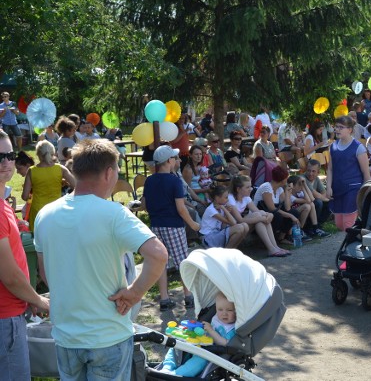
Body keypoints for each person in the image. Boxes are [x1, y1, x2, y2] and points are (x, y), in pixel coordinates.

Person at [34, 139, 167, 380]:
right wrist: (135, 292)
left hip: (66, 336)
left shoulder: (45, 215)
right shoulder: (114, 213)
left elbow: (46, 273)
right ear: (108, 172)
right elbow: (158, 254)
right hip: (108, 335)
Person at [0, 130, 50, 379]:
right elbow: (9, 275)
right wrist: (39, 300)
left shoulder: (3, 204)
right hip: (5, 316)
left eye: (10, 155)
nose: (6, 162)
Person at [142, 145, 201, 311]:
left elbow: (145, 205)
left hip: (155, 226)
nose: (177, 160)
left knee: (161, 262)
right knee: (182, 260)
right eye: (174, 158)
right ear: (168, 161)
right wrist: (193, 224)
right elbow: (181, 209)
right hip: (173, 225)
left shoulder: (150, 180)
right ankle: (188, 296)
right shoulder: (174, 180)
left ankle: (164, 298)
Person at [160, 292, 237, 376]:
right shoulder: (215, 318)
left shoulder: (233, 328)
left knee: (199, 360)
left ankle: (176, 374)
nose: (224, 313)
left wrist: (211, 331)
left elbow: (225, 343)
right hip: (199, 342)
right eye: (220, 310)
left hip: (211, 351)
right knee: (176, 345)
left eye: (229, 310)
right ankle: (167, 367)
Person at [326, 116, 371, 231]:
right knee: (339, 223)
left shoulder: (358, 148)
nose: (337, 129)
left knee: (348, 224)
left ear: (350, 130)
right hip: (337, 188)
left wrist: (366, 193)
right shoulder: (333, 146)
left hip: (353, 189)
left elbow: (366, 173)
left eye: (341, 127)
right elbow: (330, 169)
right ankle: (356, 239)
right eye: (336, 127)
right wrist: (328, 186)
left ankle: (349, 247)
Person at [227, 175, 290, 257]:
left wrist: (268, 214)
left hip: (241, 226)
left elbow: (257, 211)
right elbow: (239, 220)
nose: (251, 189)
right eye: (247, 187)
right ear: (238, 189)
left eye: (250, 186)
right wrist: (262, 217)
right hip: (231, 228)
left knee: (261, 215)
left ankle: (275, 247)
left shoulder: (246, 197)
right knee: (259, 217)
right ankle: (272, 249)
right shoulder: (230, 198)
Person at [22, 141, 75, 232]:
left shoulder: (31, 171)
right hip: (57, 210)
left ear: (38, 154)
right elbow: (77, 186)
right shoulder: (60, 169)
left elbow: (25, 197)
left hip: (38, 211)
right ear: (53, 153)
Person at [253, 165, 300, 244]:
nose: (287, 180)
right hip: (260, 214)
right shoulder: (266, 187)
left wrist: (288, 192)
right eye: (286, 178)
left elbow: (287, 208)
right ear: (282, 180)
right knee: (278, 215)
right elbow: (272, 209)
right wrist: (290, 216)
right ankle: (268, 241)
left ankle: (281, 238)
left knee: (294, 212)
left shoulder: (279, 189)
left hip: (270, 213)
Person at [303, 159, 331, 225]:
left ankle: (319, 224)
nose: (310, 173)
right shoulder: (303, 178)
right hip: (303, 203)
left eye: (313, 171)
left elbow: (323, 192)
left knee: (328, 203)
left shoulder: (316, 179)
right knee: (319, 202)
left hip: (311, 202)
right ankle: (311, 226)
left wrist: (327, 199)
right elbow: (316, 195)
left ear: (318, 172)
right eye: (308, 170)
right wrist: (328, 199)